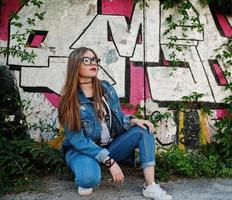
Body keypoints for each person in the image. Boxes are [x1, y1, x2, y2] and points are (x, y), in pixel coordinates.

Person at [58, 47, 172, 200]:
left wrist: (134, 120)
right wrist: (109, 162)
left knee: (143, 129)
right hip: (82, 150)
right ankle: (87, 169)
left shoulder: (105, 88)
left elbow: (117, 119)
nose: (94, 63)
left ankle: (150, 186)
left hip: (108, 146)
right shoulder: (69, 100)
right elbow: (78, 141)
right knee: (88, 180)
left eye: (95, 60)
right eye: (87, 60)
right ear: (75, 65)